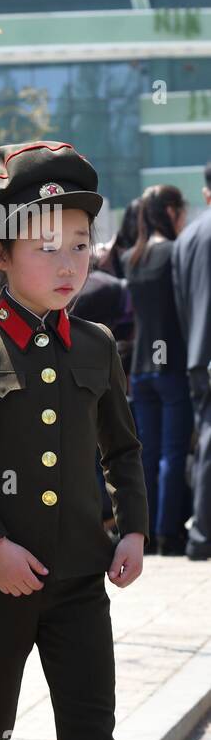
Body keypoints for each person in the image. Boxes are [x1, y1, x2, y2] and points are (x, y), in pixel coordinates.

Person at [0, 141, 147, 740]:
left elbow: (123, 447)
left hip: (82, 579)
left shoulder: (98, 344)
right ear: (0, 253)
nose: (68, 263)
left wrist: (132, 528)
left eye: (80, 245)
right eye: (47, 246)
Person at [124, 185, 192, 556]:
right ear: (170, 210)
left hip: (142, 364)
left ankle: (143, 532)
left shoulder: (134, 256)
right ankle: (169, 533)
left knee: (146, 454)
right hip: (171, 363)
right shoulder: (173, 252)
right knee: (172, 453)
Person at [172, 161, 211, 561]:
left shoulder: (186, 238)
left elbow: (182, 302)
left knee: (205, 443)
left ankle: (202, 535)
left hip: (198, 354)